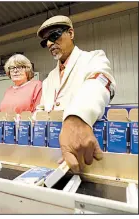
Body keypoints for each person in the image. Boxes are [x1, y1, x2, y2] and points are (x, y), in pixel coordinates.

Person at [36, 15, 116, 173]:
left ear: (71, 33)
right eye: (46, 41)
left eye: (54, 36)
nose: (50, 43)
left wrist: (77, 118)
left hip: (85, 157)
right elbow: (41, 110)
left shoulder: (93, 58)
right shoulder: (48, 80)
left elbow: (101, 82)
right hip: (53, 158)